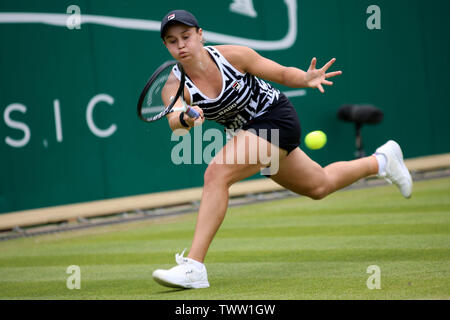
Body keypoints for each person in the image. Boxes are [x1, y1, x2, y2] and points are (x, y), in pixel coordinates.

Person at [152, 10, 413, 289]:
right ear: (166, 46)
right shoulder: (174, 85)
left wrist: (306, 78)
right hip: (247, 135)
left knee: (217, 174)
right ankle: (383, 161)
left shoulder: (233, 56)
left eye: (186, 37)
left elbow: (280, 73)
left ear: (200, 34)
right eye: (172, 41)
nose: (181, 45)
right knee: (318, 185)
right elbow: (175, 122)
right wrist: (187, 118)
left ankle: (194, 267)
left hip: (276, 118)